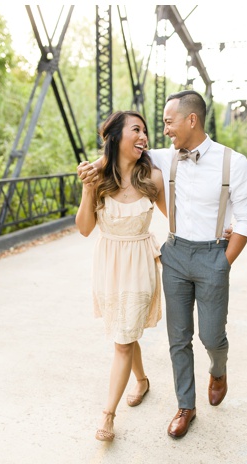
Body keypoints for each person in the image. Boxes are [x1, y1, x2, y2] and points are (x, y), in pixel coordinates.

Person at [79, 90, 247, 439]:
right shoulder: (164, 156)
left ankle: (218, 369)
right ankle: (185, 407)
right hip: (174, 254)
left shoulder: (234, 162)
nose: (162, 131)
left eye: (167, 122)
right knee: (178, 339)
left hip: (213, 256)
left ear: (191, 120)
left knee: (211, 335)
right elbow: (119, 156)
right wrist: (94, 168)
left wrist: (224, 261)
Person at [75, 110, 166, 442]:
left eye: (145, 131)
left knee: (123, 340)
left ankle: (108, 415)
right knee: (125, 332)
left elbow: (177, 218)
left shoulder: (152, 179)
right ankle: (141, 382)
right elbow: (85, 229)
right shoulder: (97, 179)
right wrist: (87, 189)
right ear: (115, 137)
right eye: (136, 130)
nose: (143, 136)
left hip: (140, 264)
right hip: (109, 266)